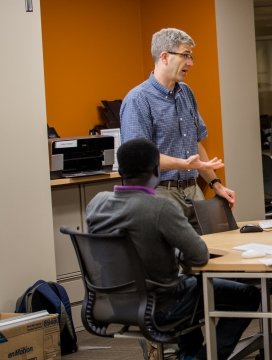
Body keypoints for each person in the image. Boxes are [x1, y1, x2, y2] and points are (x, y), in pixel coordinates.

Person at [84, 139, 260, 360]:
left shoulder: (96, 203)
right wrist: (175, 252)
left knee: (186, 287)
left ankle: (189, 355)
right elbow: (199, 256)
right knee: (247, 295)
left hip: (111, 302)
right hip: (161, 305)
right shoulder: (160, 207)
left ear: (121, 170)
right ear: (156, 169)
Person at [120, 27, 235, 232]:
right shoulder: (138, 100)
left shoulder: (186, 93)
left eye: (191, 56)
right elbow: (139, 161)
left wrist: (216, 184)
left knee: (212, 252)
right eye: (185, 55)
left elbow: (196, 143)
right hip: (160, 192)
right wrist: (182, 164)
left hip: (192, 191)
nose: (190, 63)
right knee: (172, 260)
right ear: (164, 56)